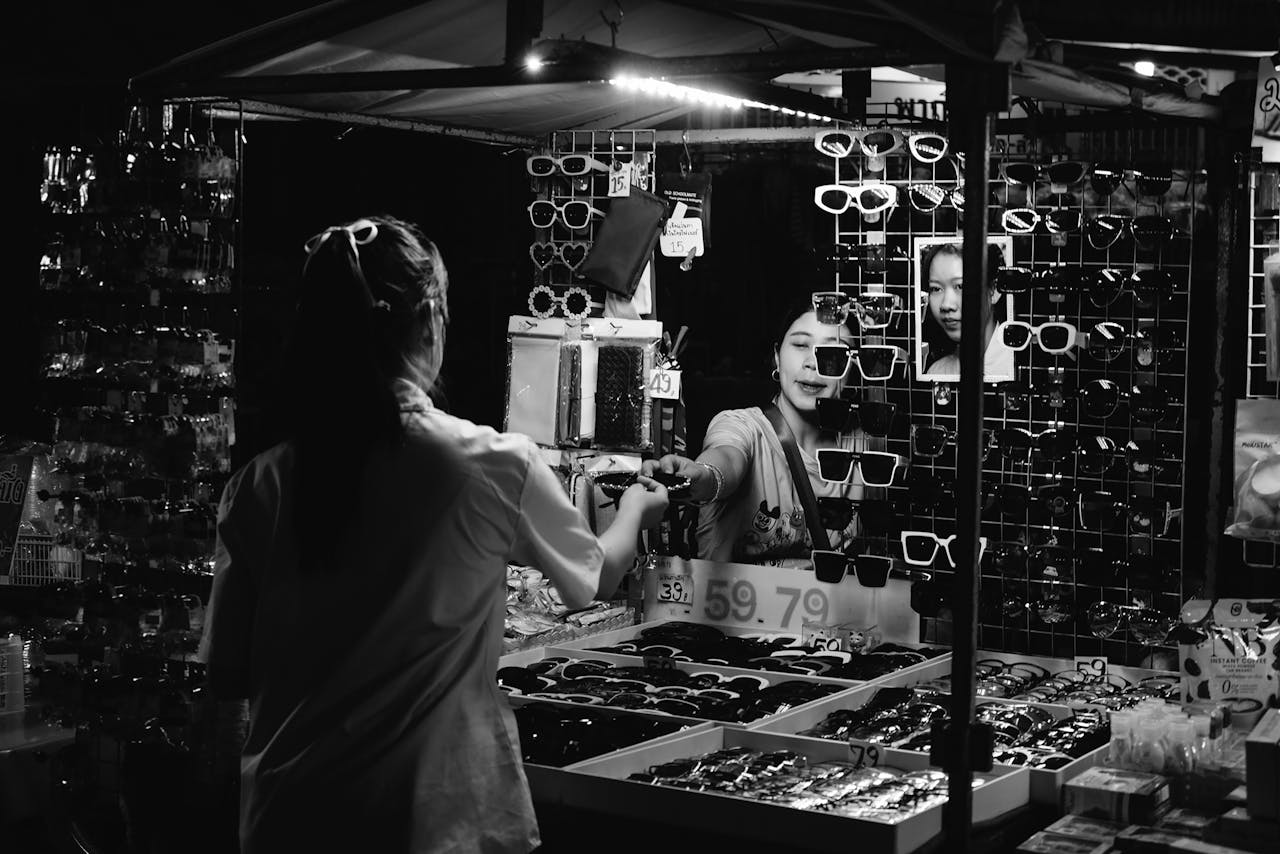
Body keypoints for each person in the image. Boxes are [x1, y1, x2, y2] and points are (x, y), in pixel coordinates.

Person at [198, 215, 668, 854]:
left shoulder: (259, 485)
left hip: (291, 814)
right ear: (430, 321)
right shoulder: (494, 463)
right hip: (435, 817)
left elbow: (227, 678)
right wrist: (636, 509)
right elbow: (594, 579)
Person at [642, 298, 872, 565]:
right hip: (731, 605)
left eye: (834, 352)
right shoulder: (744, 427)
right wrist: (698, 476)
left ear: (853, 368)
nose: (813, 362)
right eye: (800, 345)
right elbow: (726, 459)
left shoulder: (866, 452)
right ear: (777, 356)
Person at [918, 241, 1015, 380]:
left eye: (961, 286)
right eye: (936, 289)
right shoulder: (939, 372)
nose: (946, 305)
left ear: (994, 290)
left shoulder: (1018, 367)